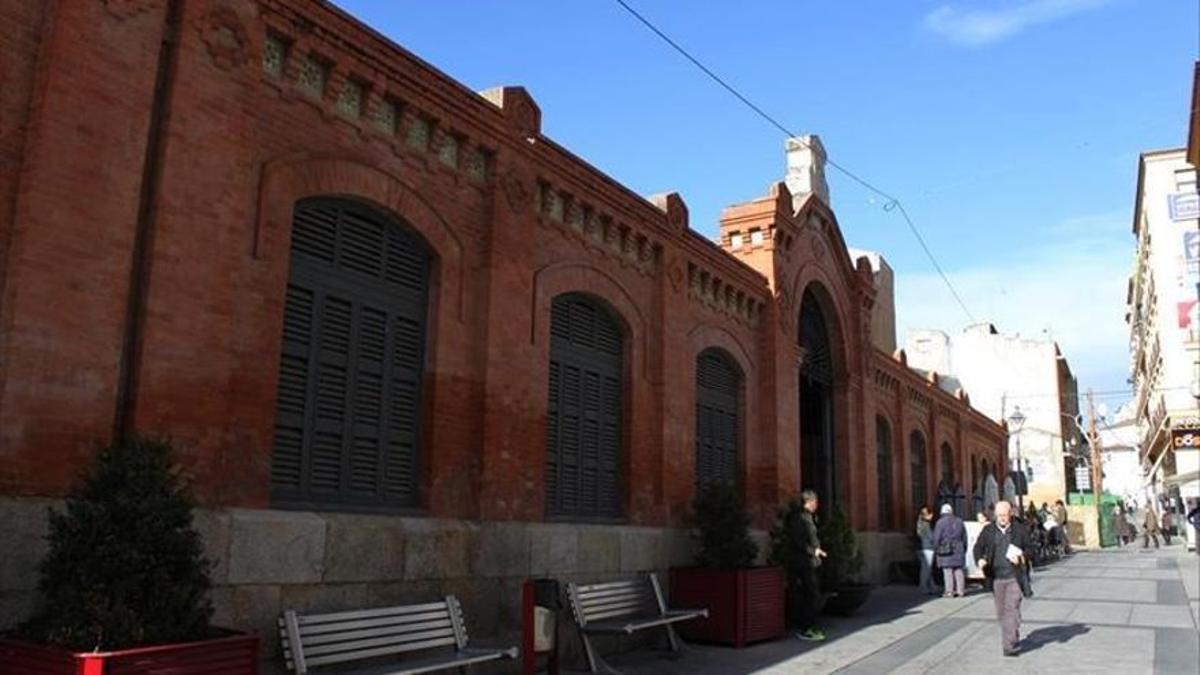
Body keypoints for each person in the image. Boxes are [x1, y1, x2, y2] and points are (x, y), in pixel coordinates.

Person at [973, 500, 1032, 657]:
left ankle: (1009, 645)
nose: (1002, 518)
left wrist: (1021, 558)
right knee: (1001, 613)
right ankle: (1012, 632)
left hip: (1015, 576)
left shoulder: (1020, 530)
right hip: (996, 577)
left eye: (1005, 515)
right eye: (999, 515)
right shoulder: (989, 530)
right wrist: (980, 559)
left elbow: (1031, 550)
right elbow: (977, 547)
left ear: (1010, 514)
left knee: (1010, 609)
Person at [792, 489, 828, 642]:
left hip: (810, 562)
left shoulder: (809, 517)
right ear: (810, 502)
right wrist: (814, 551)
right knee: (811, 595)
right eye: (815, 502)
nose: (817, 505)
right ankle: (805, 628)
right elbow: (798, 541)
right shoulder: (799, 518)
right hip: (804, 563)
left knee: (812, 595)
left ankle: (810, 626)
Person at [932, 503, 968, 598]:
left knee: (948, 571)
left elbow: (936, 537)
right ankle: (960, 591)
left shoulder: (940, 522)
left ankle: (949, 591)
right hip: (959, 548)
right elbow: (964, 538)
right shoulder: (960, 521)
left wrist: (936, 548)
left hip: (945, 548)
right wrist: (964, 548)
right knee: (958, 570)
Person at [915, 505, 938, 595]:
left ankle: (932, 586)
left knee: (926, 568)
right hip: (928, 548)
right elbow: (931, 537)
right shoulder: (926, 524)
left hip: (920, 548)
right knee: (926, 569)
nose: (932, 516)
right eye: (931, 514)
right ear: (928, 515)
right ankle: (923, 587)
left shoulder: (919, 523)